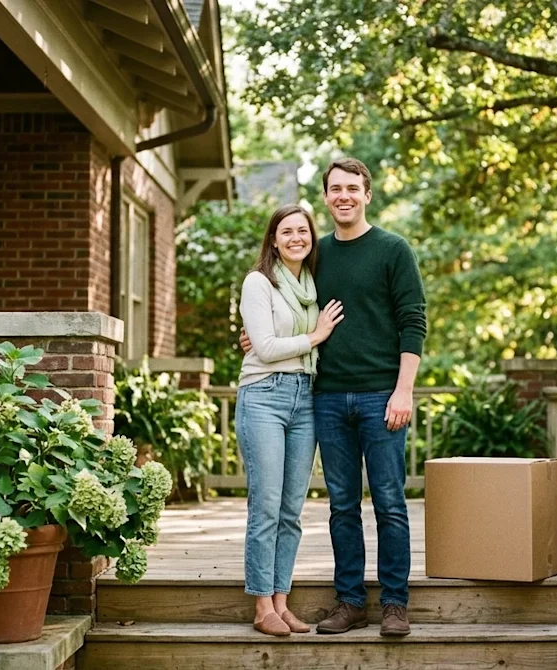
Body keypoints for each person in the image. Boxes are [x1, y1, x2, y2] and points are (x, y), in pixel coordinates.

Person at [243, 158, 427, 638]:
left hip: (381, 396)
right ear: (325, 198)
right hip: (323, 398)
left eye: (352, 188)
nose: (343, 196)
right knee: (341, 505)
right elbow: (277, 303)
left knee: (389, 501)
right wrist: (247, 337)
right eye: (334, 189)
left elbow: (414, 322)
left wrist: (404, 390)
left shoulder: (393, 249)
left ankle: (393, 603)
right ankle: (350, 602)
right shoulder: (315, 255)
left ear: (367, 193)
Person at [236, 204, 345, 637]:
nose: (296, 237)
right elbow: (262, 347)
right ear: (274, 239)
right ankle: (262, 606)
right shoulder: (258, 282)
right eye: (287, 231)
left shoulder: (311, 284)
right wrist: (315, 337)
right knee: (265, 505)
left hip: (306, 398)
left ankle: (282, 603)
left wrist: (305, 344)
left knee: (291, 510)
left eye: (303, 231)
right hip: (264, 395)